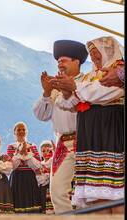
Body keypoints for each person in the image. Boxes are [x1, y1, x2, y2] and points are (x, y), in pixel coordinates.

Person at [52, 36, 124, 213]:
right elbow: (67, 104)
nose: (94, 59)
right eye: (92, 56)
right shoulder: (91, 76)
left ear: (109, 52)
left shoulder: (118, 71)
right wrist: (67, 91)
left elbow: (102, 92)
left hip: (110, 134)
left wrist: (74, 88)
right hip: (91, 139)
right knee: (95, 196)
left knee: (115, 195)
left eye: (97, 55)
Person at [33, 39, 88, 214]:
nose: (60, 64)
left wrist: (71, 89)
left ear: (77, 62)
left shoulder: (87, 81)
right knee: (56, 191)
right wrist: (47, 92)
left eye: (63, 60)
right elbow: (41, 115)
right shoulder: (54, 86)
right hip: (63, 143)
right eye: (58, 62)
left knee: (88, 191)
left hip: (87, 142)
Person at [6, 122, 44, 214]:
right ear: (14, 132)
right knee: (18, 200)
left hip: (30, 177)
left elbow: (38, 165)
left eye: (23, 129)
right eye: (18, 129)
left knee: (31, 200)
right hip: (17, 177)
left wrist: (27, 155)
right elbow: (11, 166)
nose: (21, 131)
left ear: (26, 131)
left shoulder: (32, 146)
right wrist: (19, 154)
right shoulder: (11, 147)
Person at [39, 140, 54, 214]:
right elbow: (38, 177)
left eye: (48, 150)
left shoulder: (53, 161)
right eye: (43, 151)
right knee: (44, 201)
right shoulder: (40, 164)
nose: (45, 153)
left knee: (51, 202)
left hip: (51, 185)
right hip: (43, 186)